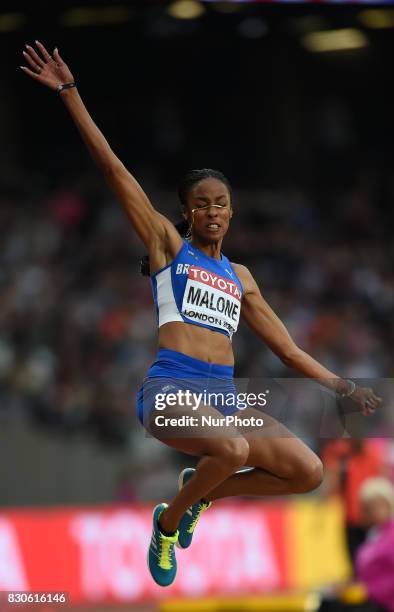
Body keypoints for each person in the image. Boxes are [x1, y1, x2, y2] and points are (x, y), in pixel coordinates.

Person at [21, 41, 382, 588]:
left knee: (307, 472)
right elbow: (113, 169)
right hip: (169, 392)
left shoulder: (242, 278)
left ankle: (201, 490)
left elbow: (286, 349)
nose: (213, 210)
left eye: (221, 203)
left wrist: (342, 386)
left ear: (231, 211)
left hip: (224, 398)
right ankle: (167, 521)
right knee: (233, 448)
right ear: (187, 211)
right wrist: (70, 93)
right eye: (202, 203)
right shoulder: (168, 246)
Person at [356, 477, 394, 612]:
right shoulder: (373, 534)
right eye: (366, 507)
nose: (369, 512)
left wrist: (369, 590)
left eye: (375, 506)